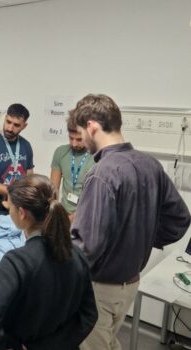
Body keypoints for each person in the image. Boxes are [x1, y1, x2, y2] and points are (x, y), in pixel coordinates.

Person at [71, 94, 191, 350]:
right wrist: (145, 236)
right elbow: (180, 219)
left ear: (92, 126)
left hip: (100, 288)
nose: (81, 139)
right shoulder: (151, 165)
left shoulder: (103, 173)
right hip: (130, 283)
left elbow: (86, 246)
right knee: (111, 341)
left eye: (81, 132)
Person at [0, 174, 97, 350]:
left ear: (22, 213)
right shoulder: (77, 255)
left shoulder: (16, 262)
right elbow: (89, 315)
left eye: (10, 208)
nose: (9, 212)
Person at [0, 103, 34, 229]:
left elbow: (29, 176)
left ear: (24, 126)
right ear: (5, 118)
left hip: (17, 209)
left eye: (16, 125)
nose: (10, 128)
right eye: (8, 122)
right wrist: (16, 193)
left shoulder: (26, 146)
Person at [50, 111, 95, 220]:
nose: (74, 144)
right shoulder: (60, 152)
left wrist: (72, 219)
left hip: (87, 217)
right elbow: (53, 189)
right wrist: (54, 213)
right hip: (64, 214)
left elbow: (94, 199)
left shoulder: (98, 157)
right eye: (71, 138)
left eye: (79, 139)